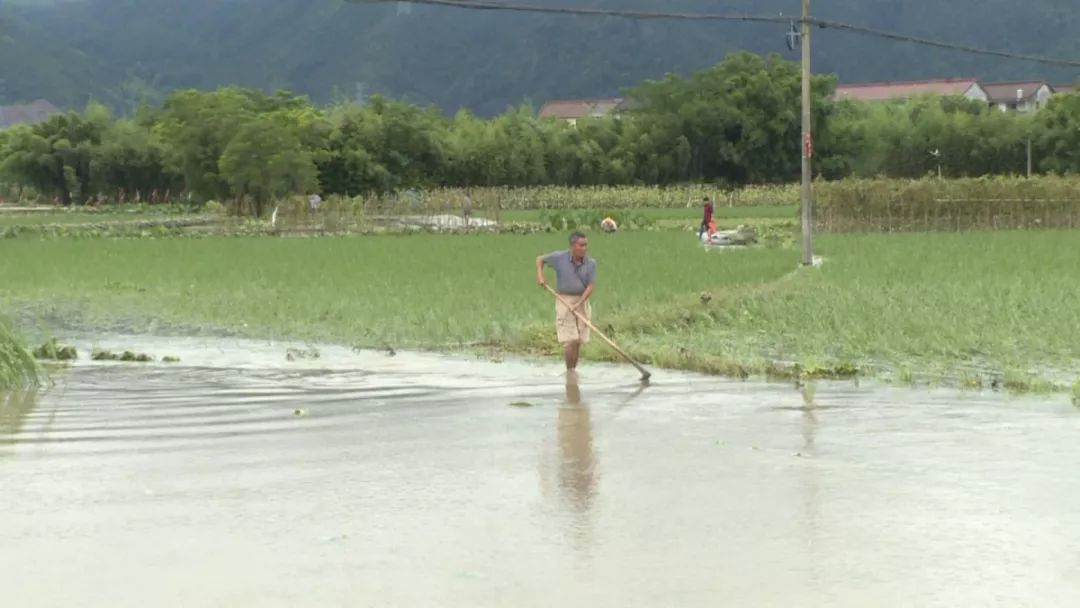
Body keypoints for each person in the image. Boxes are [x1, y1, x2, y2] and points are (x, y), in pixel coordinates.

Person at [536, 231, 597, 372]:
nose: (584, 248)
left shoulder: (591, 263)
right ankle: (570, 372)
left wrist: (579, 303)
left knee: (579, 341)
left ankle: (572, 371)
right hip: (564, 301)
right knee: (571, 340)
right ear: (572, 246)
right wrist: (540, 276)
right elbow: (540, 259)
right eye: (581, 245)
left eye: (586, 245)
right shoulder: (559, 257)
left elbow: (590, 286)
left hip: (582, 300)